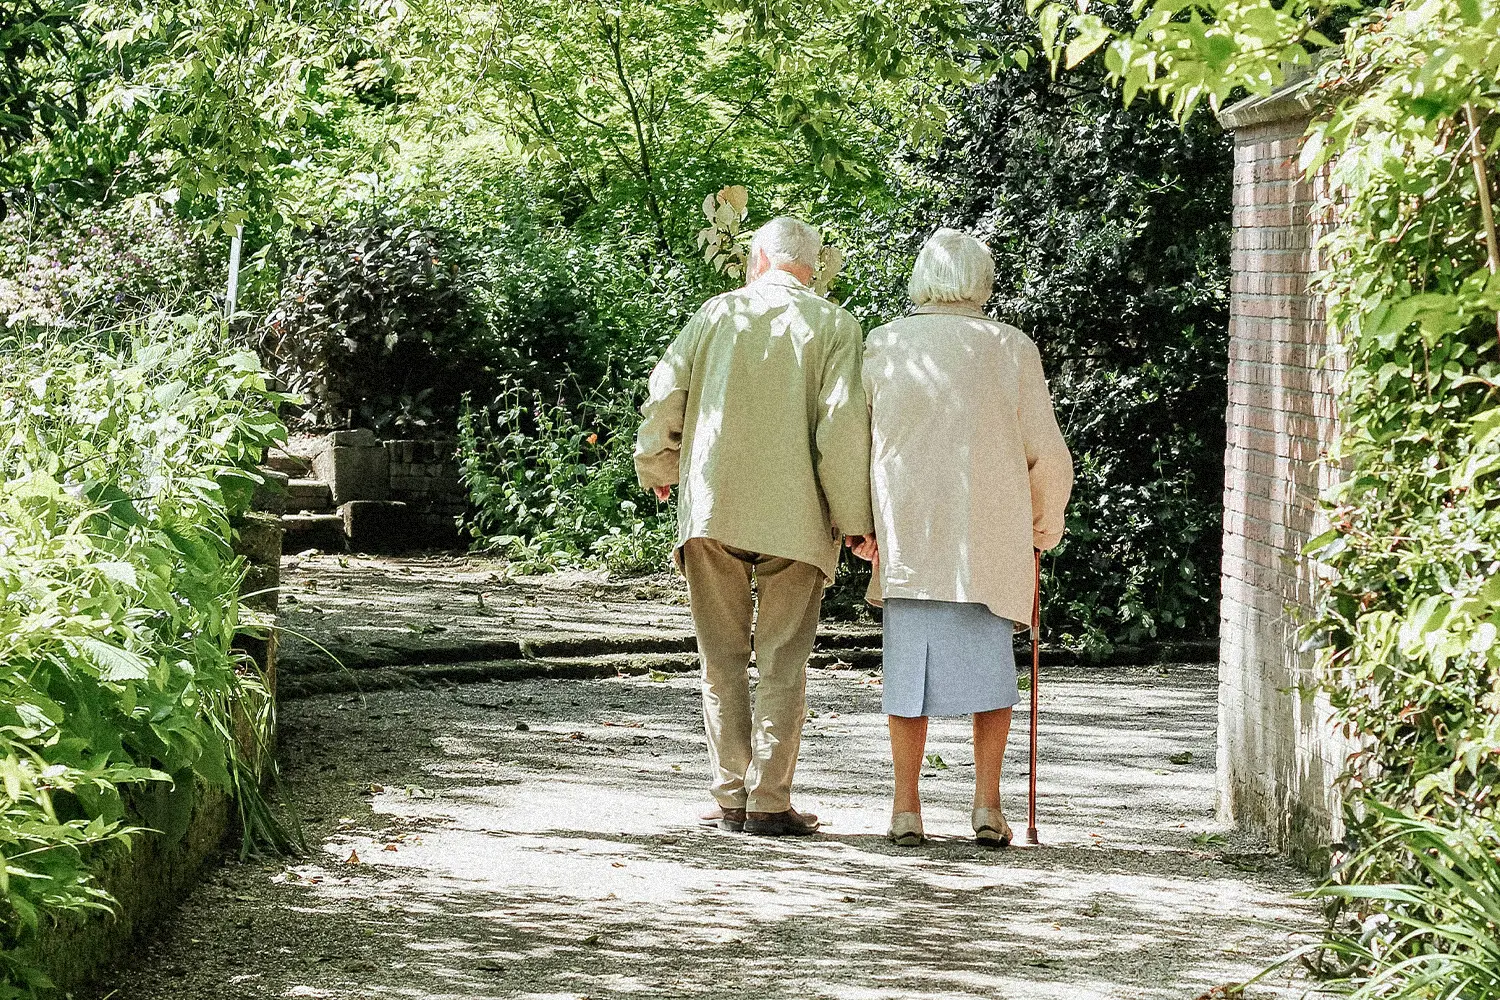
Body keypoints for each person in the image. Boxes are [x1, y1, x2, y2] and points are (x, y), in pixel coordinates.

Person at [634, 217, 876, 837]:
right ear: (813, 267)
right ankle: (769, 800)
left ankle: (728, 795)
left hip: (714, 507)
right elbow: (841, 430)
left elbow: (667, 395)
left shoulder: (715, 314)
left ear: (759, 258)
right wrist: (855, 521)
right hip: (797, 517)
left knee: (720, 657)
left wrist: (658, 464)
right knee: (782, 660)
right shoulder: (835, 326)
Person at [860, 228, 1073, 847]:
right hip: (988, 535)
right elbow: (1045, 450)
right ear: (981, 281)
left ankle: (906, 808)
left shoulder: (885, 343)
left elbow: (855, 441)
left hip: (910, 534)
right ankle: (987, 805)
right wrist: (1044, 520)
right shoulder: (1008, 347)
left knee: (906, 676)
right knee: (990, 675)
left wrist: (859, 523)